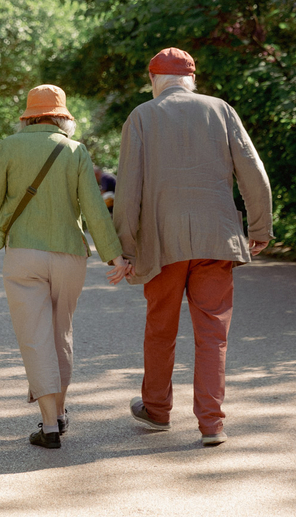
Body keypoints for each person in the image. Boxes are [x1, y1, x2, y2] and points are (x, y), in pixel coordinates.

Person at [110, 47, 273, 447]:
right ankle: (212, 424)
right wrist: (260, 226)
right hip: (216, 238)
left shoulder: (142, 117)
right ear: (192, 79)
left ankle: (157, 410)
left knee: (160, 329)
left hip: (161, 242)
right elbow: (253, 171)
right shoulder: (221, 110)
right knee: (213, 334)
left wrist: (126, 249)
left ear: (154, 81)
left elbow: (128, 190)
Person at [0, 85, 132, 449]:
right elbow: (93, 207)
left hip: (24, 254)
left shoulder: (8, 147)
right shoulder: (75, 151)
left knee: (35, 337)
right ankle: (59, 412)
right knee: (61, 334)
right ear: (63, 118)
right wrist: (114, 255)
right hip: (70, 257)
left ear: (28, 116)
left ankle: (49, 426)